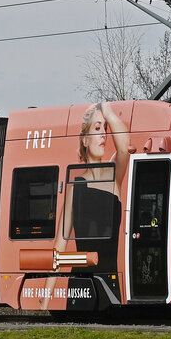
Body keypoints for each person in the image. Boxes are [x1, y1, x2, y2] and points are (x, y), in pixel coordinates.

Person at [63, 103, 130, 271]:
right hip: (82, 282)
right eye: (97, 128)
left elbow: (124, 147)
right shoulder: (76, 188)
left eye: (105, 129)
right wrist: (46, 297)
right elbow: (60, 246)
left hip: (109, 279)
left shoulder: (113, 174)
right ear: (85, 140)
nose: (104, 135)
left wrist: (107, 111)